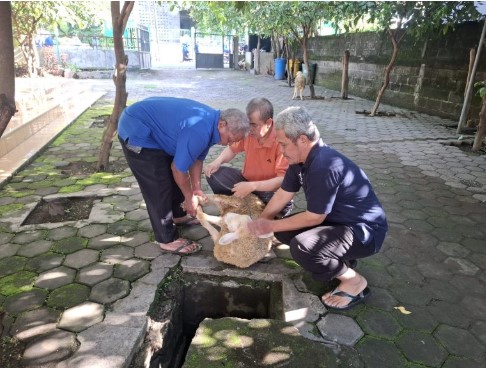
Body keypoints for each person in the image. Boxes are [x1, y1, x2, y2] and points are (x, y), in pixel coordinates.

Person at [247, 106, 388, 310]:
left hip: (366, 232)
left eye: (284, 145)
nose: (282, 151)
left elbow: (314, 218)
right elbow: (283, 194)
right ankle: (342, 258)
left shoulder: (323, 165)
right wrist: (264, 221)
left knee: (303, 247)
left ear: (303, 140)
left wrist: (268, 227)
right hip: (339, 223)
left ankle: (355, 282)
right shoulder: (298, 160)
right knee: (285, 232)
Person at [118, 97, 249, 255]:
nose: (228, 144)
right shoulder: (200, 129)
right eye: (229, 139)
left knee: (176, 176)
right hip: (137, 130)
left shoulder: (212, 125)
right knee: (159, 185)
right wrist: (189, 197)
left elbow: (196, 158)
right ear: (222, 125)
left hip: (157, 134)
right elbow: (178, 170)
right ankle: (166, 239)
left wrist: (196, 190)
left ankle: (177, 215)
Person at [204, 97, 293, 216]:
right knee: (213, 173)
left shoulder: (281, 140)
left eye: (254, 125)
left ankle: (263, 210)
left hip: (269, 190)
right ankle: (237, 206)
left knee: (279, 207)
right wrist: (217, 161)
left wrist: (253, 186)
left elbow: (283, 180)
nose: (249, 129)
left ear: (268, 123)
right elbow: (232, 149)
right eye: (248, 124)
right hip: (247, 182)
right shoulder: (248, 132)